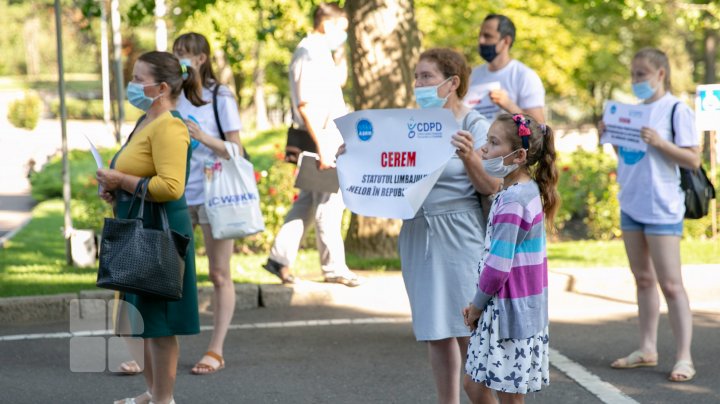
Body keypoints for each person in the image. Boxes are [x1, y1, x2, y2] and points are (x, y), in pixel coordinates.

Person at [96, 50, 204, 404]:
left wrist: (121, 179)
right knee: (135, 322)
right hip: (140, 226)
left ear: (160, 87)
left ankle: (163, 399)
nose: (132, 84)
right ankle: (153, 393)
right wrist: (116, 189)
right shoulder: (147, 121)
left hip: (157, 233)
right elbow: (142, 176)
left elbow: (171, 187)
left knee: (157, 324)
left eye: (139, 79)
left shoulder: (169, 126)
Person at [401, 47, 500, 404]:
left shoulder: (475, 125)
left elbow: (492, 186)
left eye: (426, 77)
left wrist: (470, 156)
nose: (418, 84)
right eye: (416, 77)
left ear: (452, 82)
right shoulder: (408, 125)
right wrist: (353, 160)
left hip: (460, 234)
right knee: (436, 332)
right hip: (417, 232)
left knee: (467, 329)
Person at [599, 47, 699, 383]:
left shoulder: (675, 110)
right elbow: (629, 156)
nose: (636, 80)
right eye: (633, 74)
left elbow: (693, 160)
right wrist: (610, 136)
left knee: (671, 284)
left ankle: (684, 357)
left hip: (663, 207)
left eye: (641, 73)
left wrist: (658, 141)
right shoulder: (634, 111)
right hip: (632, 203)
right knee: (642, 279)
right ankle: (647, 348)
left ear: (660, 74)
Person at [462, 113, 559, 403]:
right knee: (475, 386)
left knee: (507, 397)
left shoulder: (513, 202)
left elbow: (497, 268)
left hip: (508, 315)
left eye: (493, 143)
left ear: (518, 156)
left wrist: (476, 307)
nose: (483, 150)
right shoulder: (520, 192)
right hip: (512, 310)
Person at [262, 3, 361, 287]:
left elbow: (334, 85)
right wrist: (322, 146)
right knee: (329, 203)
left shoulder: (320, 52)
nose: (344, 34)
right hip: (321, 137)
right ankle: (334, 268)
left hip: (323, 136)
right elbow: (306, 104)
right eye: (342, 28)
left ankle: (279, 258)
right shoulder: (309, 53)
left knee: (307, 201)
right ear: (328, 25)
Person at [173, 32, 244, 376]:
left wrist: (202, 137)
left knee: (218, 273)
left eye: (185, 54)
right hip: (178, 194)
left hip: (215, 197)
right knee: (171, 275)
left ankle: (215, 350)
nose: (180, 59)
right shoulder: (172, 95)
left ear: (201, 59)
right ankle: (155, 351)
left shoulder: (220, 95)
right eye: (176, 53)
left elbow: (237, 151)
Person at [463, 14, 545, 124]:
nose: (481, 41)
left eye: (487, 36)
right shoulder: (472, 75)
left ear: (506, 41)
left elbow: (540, 128)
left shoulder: (524, 76)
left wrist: (509, 105)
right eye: (480, 35)